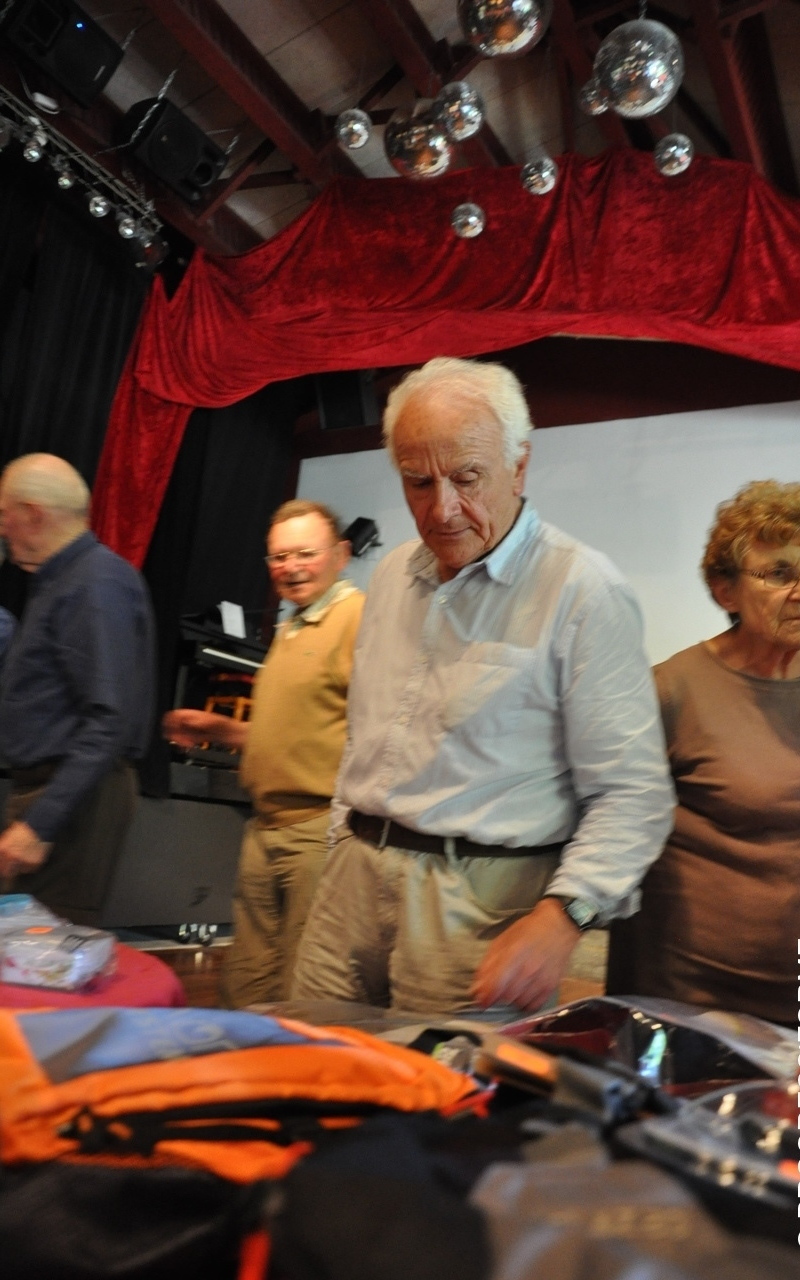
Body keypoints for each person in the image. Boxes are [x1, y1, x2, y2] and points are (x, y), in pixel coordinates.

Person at [291, 357, 674, 1016]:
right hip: (350, 887)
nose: (442, 509)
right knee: (311, 1063)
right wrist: (339, 848)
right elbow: (367, 738)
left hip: (478, 911)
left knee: (448, 1082)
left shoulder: (583, 591)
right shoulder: (390, 577)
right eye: (417, 482)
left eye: (467, 478)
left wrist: (564, 917)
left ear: (519, 465)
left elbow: (632, 794)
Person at [606, 479, 800, 1026]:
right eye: (780, 573)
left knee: (796, 1087)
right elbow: (610, 824)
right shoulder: (670, 691)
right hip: (681, 986)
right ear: (725, 592)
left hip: (799, 977)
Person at [163, 500, 364, 1007]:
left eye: (305, 553)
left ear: (341, 555)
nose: (291, 567)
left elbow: (381, 729)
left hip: (318, 832)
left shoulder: (357, 619)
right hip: (266, 828)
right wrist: (222, 729)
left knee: (302, 988)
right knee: (245, 984)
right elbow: (296, 730)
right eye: (278, 557)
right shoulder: (294, 625)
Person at [0, 453, 155, 925]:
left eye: (4, 514)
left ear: (33, 513)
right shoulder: (64, 580)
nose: (2, 528)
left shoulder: (94, 582)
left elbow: (109, 718)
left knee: (43, 953)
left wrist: (40, 823)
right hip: (54, 789)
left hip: (73, 797)